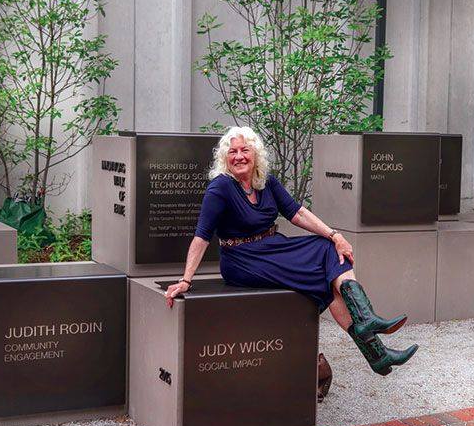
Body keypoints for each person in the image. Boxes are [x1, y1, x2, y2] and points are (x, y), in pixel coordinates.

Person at [165, 126, 418, 375]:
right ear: (225, 158)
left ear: (256, 155)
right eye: (232, 152)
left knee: (328, 248)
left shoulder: (266, 182)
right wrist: (186, 280)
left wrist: (335, 235)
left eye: (245, 150)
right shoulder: (220, 187)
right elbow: (202, 236)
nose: (239, 156)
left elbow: (297, 213)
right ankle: (374, 346)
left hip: (272, 246)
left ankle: (369, 330)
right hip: (243, 259)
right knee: (326, 276)